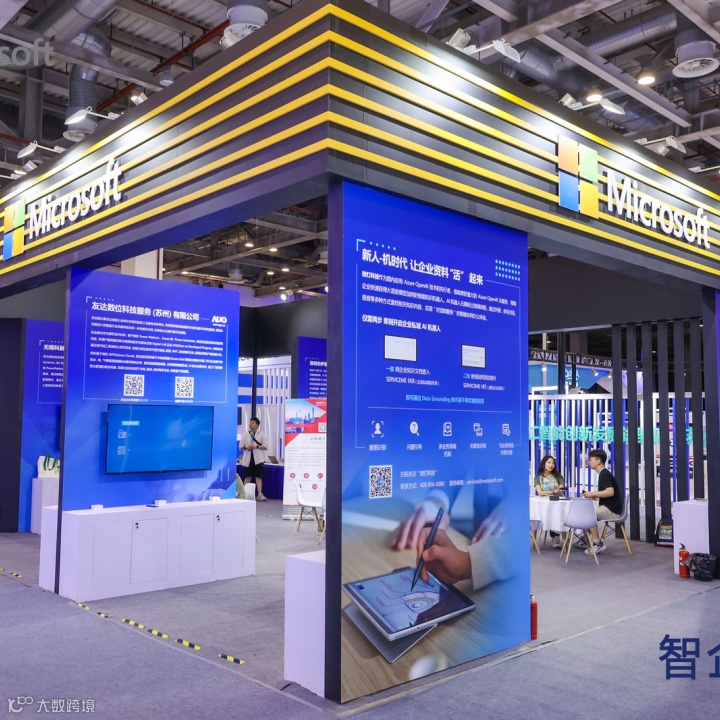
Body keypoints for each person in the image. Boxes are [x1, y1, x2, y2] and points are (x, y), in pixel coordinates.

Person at [581, 448, 623, 555]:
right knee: (588, 514)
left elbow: (610, 492)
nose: (589, 462)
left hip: (612, 510)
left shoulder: (604, 475)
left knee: (589, 514)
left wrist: (592, 493)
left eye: (591, 460)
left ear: (598, 461)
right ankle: (586, 540)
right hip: (611, 507)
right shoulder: (604, 473)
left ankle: (597, 543)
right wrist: (596, 496)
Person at [533, 455, 566, 549]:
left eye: (553, 463)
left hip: (557, 501)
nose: (551, 465)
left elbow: (562, 489)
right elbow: (540, 492)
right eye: (549, 462)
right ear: (543, 463)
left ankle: (556, 535)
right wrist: (554, 492)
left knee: (557, 513)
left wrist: (548, 493)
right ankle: (554, 535)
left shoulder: (558, 477)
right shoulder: (538, 478)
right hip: (544, 503)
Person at [240, 416, 269, 501]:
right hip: (248, 459)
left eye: (252, 423)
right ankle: (244, 494)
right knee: (247, 477)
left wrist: (256, 446)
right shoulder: (246, 434)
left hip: (258, 459)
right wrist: (246, 446)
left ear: (257, 425)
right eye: (250, 422)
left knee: (258, 477)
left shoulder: (261, 435)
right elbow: (240, 446)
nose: (250, 424)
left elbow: (266, 446)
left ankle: (260, 494)